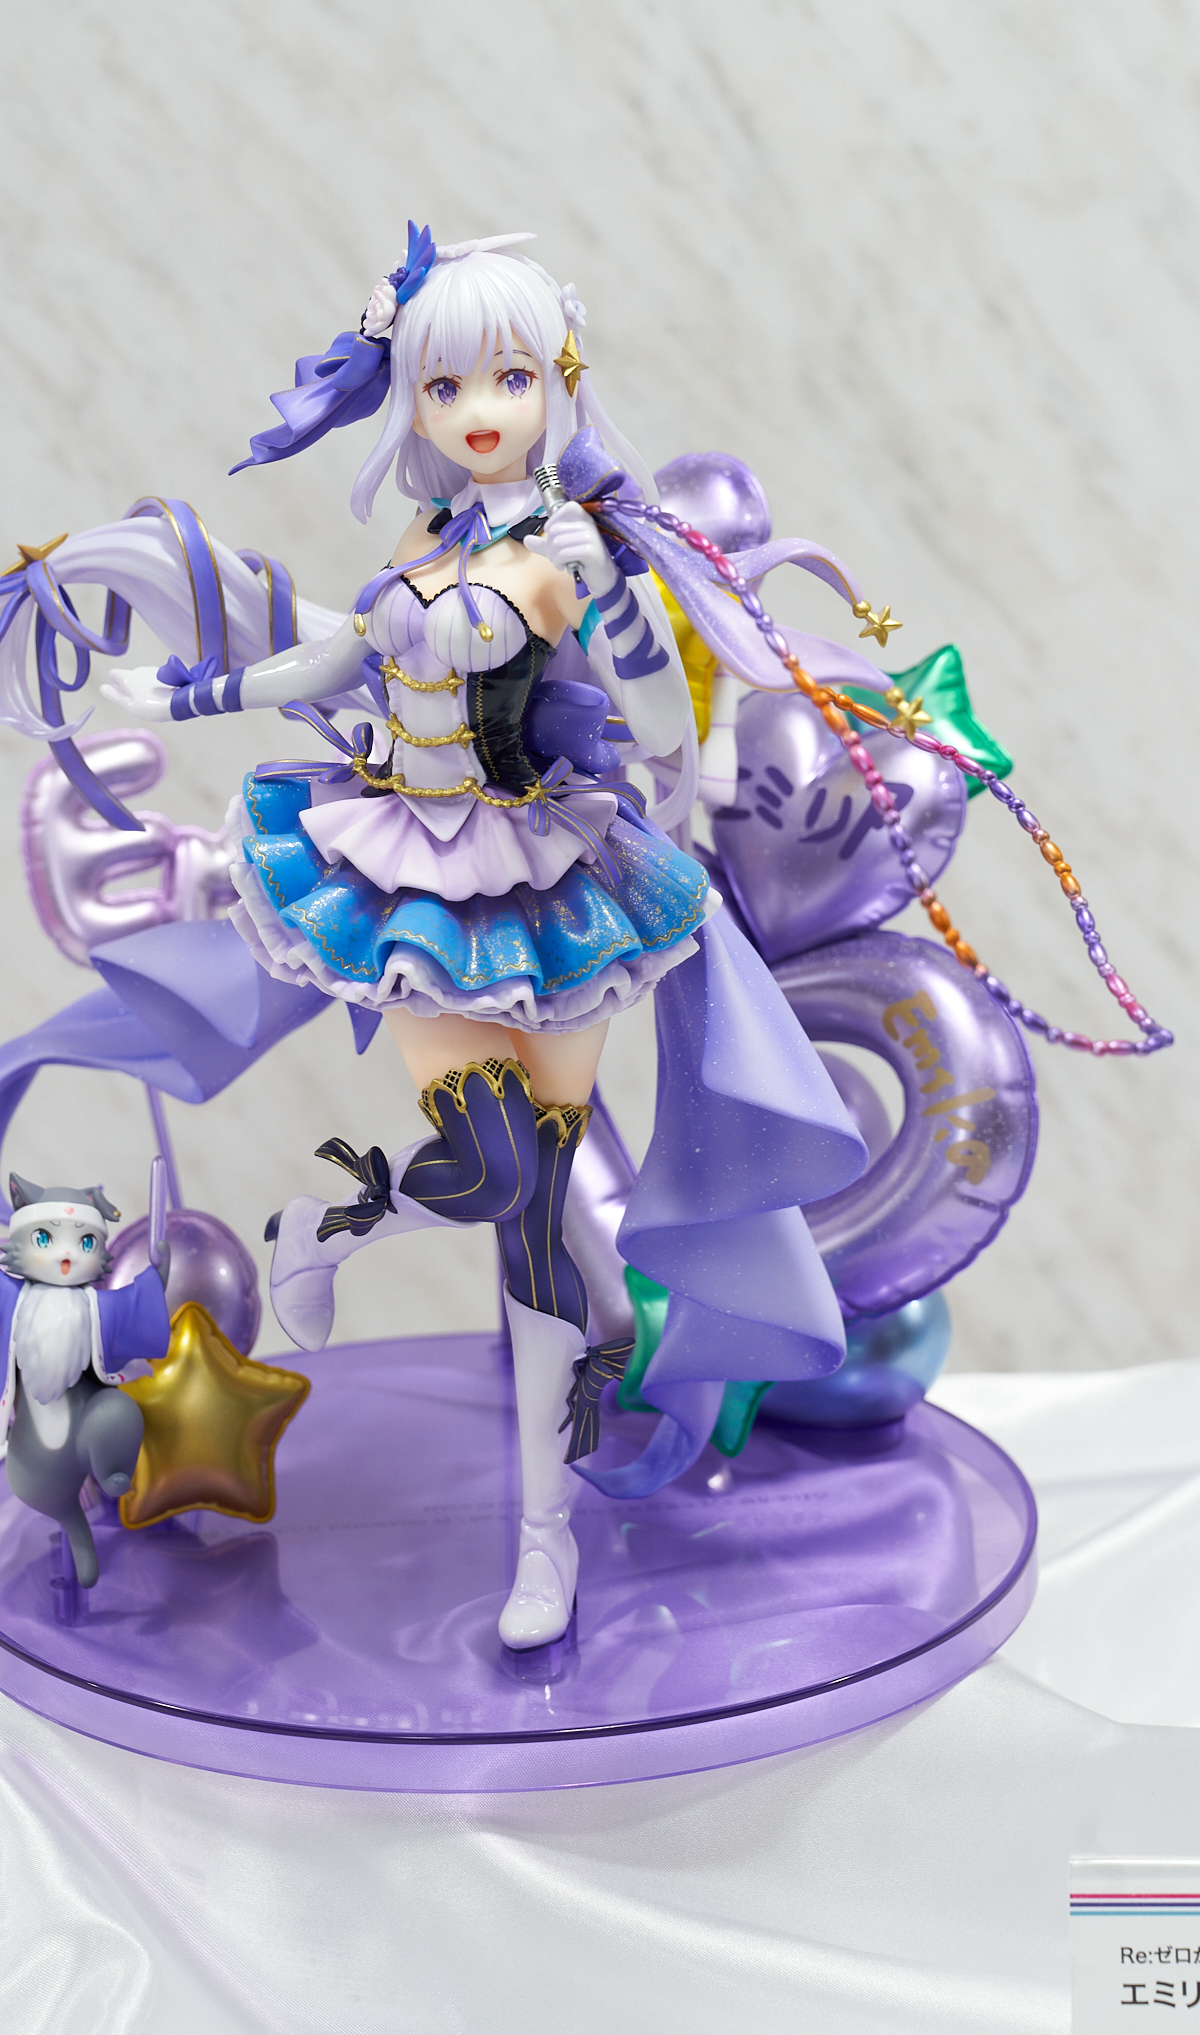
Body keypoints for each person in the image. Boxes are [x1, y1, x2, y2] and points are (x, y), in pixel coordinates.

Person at [102, 226, 890, 1651]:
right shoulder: (422, 538)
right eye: (445, 382)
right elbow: (336, 658)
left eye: (510, 377)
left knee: (534, 1222)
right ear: (411, 397)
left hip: (551, 883)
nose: (478, 409)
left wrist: (631, 630)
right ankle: (339, 1240)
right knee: (503, 1174)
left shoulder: (573, 546)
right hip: (410, 875)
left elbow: (657, 711)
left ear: (557, 381)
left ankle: (539, 1533)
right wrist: (191, 695)